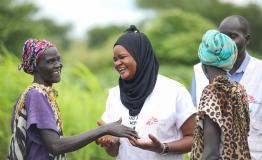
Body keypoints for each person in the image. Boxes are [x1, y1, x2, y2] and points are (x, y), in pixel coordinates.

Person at [8, 38, 138, 160]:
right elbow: (55, 145)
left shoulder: (29, 93)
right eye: (50, 61)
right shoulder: (37, 94)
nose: (58, 65)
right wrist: (105, 129)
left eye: (58, 60)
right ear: (35, 66)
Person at [96, 25, 196, 160]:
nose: (117, 63)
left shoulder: (173, 91)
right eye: (115, 59)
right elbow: (114, 152)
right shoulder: (114, 95)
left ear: (140, 56)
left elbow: (195, 138)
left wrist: (163, 147)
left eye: (122, 57)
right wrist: (110, 143)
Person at [191, 15, 262, 160]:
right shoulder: (238, 89)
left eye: (232, 36)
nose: (226, 42)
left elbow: (211, 154)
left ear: (247, 39)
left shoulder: (211, 93)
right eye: (222, 36)